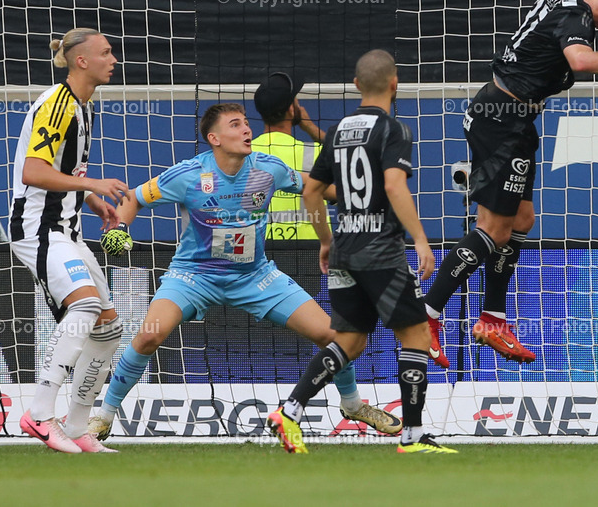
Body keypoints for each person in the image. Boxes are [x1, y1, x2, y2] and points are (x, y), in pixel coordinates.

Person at [87, 103, 402, 441]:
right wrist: (117, 228)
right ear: (215, 138)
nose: (246, 130)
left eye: (246, 124)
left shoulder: (268, 169)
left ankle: (353, 405)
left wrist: (364, 195)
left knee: (333, 336)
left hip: (256, 277)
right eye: (235, 125)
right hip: (193, 276)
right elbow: (133, 198)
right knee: (149, 335)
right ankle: (103, 415)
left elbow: (314, 186)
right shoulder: (188, 174)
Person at [423, 0, 598, 368]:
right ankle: (427, 315)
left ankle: (493, 318)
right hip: (501, 120)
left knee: (521, 219)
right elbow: (580, 60)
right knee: (494, 228)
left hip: (512, 119)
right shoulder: (577, 19)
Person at [267, 50, 455, 454]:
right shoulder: (393, 130)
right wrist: (420, 239)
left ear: (355, 86)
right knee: (417, 336)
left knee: (349, 341)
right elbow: (393, 185)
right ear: (394, 83)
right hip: (381, 252)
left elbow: (312, 191)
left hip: (345, 249)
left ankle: (291, 410)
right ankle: (413, 436)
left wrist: (325, 240)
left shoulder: (336, 132)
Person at [9, 28, 128, 453]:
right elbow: (33, 172)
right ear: (82, 61)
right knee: (85, 304)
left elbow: (68, 174)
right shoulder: (58, 105)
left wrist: (92, 199)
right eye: (106, 52)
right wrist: (96, 183)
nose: (114, 59)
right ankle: (39, 415)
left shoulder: (83, 107)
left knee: (108, 327)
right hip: (38, 228)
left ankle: (77, 426)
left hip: (67, 230)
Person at [252, 71, 331, 296]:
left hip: (257, 254)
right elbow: (350, 163)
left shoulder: (245, 154)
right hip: (308, 256)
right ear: (291, 109)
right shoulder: (313, 152)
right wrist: (310, 128)